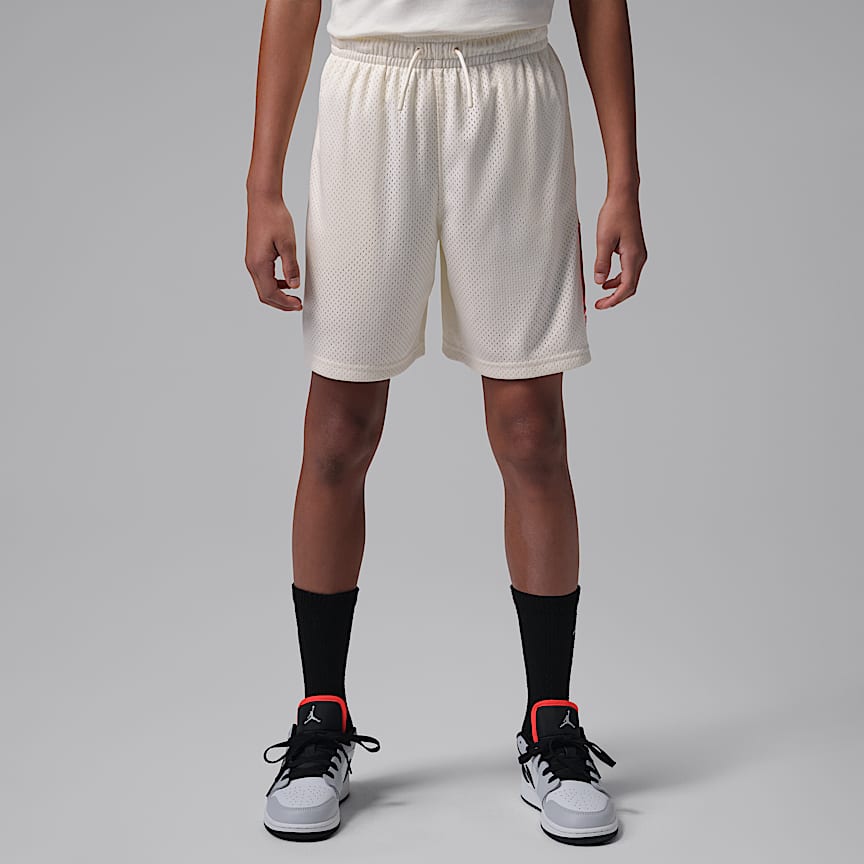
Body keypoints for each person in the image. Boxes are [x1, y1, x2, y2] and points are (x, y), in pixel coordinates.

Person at [245, 0, 646, 846]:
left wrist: (625, 182)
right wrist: (262, 186)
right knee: (339, 431)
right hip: (370, 93)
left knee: (533, 432)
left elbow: (598, 5)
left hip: (512, 90)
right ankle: (322, 716)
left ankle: (549, 720)